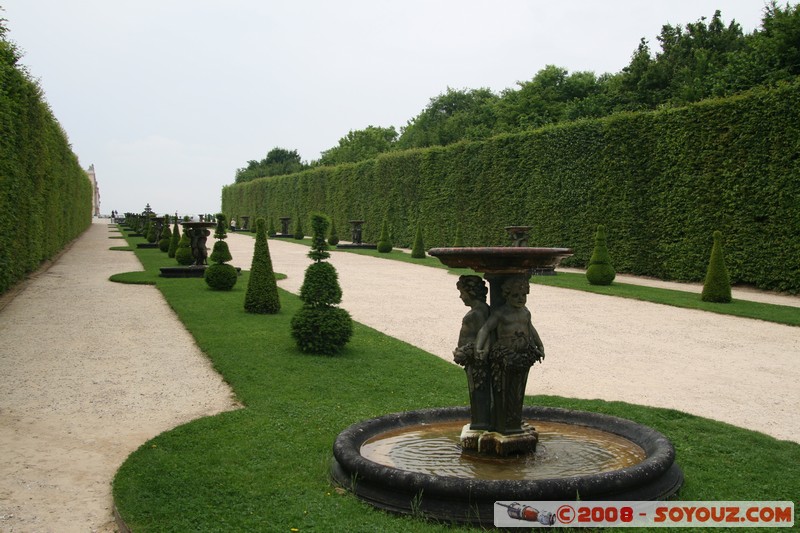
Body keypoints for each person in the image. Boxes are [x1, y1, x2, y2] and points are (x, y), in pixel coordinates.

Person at [452, 275, 491, 430]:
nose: (461, 296)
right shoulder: (485, 309)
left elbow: (481, 339)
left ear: (471, 292)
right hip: (474, 358)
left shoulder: (474, 314)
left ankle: (480, 424)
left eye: (462, 292)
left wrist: (462, 352)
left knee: (478, 392)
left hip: (476, 362)